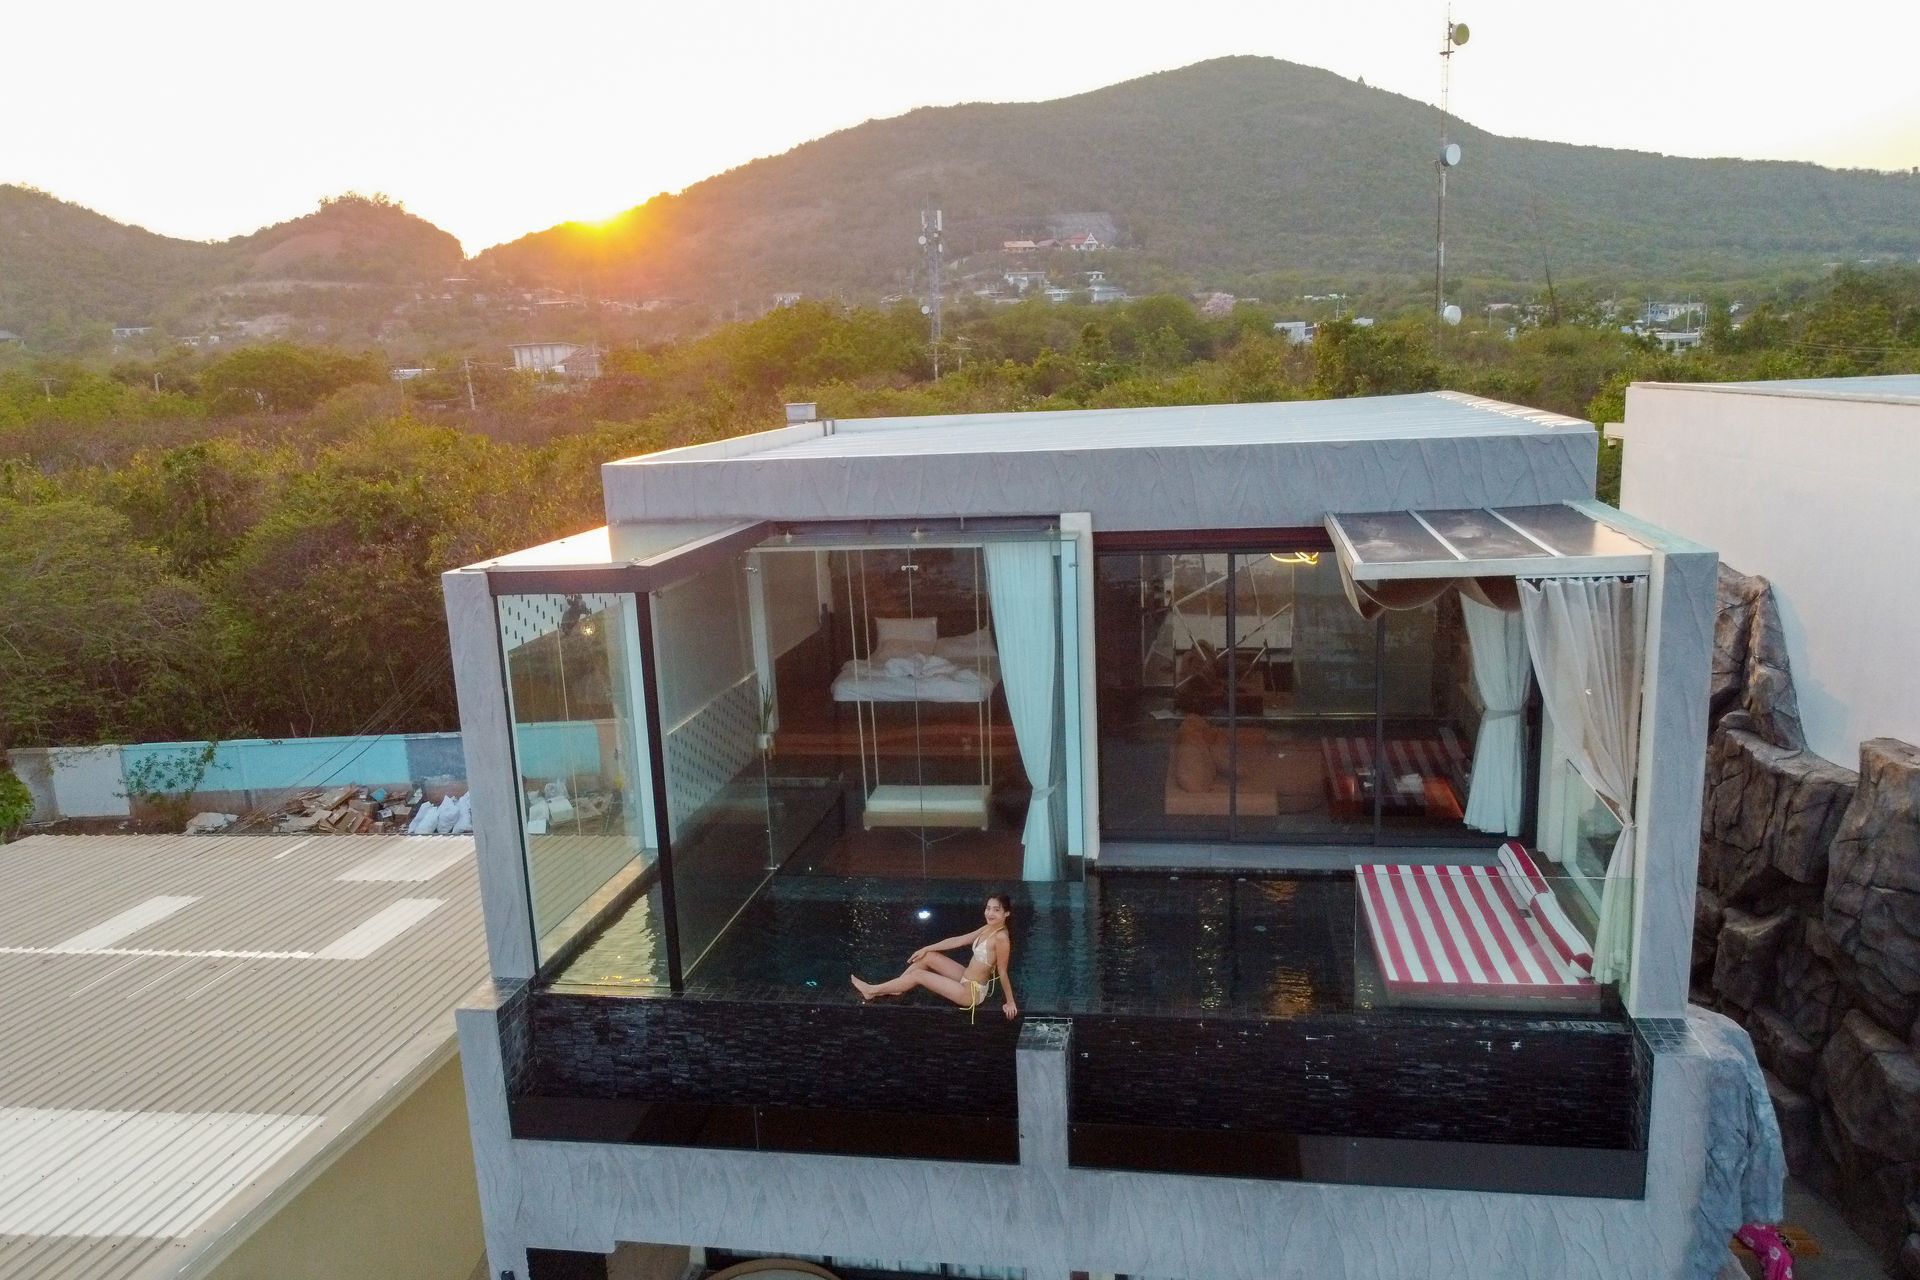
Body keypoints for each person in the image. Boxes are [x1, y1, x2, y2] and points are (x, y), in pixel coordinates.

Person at [851, 892, 1019, 1021]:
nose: (990, 913)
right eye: (988, 908)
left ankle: (872, 991)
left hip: (971, 993)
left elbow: (1003, 972)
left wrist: (1010, 1002)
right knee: (927, 956)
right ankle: (898, 987)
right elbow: (959, 940)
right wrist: (926, 948)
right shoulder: (989, 928)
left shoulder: (1001, 938)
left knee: (918, 975)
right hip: (965, 976)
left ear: (1006, 913)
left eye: (996, 910)